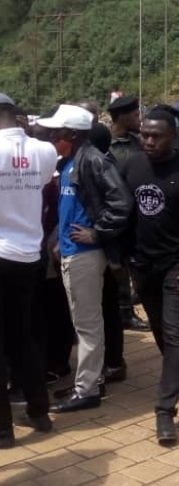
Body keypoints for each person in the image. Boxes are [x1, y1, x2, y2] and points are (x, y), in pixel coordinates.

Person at [122, 110, 179, 445]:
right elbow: (121, 209)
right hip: (144, 265)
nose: (149, 141)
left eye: (156, 136)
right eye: (145, 135)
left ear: (173, 136)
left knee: (176, 335)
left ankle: (165, 411)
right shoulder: (132, 165)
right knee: (161, 329)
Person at [38, 105, 133, 413]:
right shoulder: (71, 161)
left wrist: (98, 232)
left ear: (73, 134)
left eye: (57, 132)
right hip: (71, 251)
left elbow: (121, 201)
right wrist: (59, 242)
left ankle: (88, 389)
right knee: (85, 322)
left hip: (85, 255)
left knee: (87, 324)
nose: (52, 136)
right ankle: (89, 379)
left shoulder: (92, 159)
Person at [0, 93, 58, 447]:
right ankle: (39, 411)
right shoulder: (44, 151)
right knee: (22, 335)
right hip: (27, 255)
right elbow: (35, 186)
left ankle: (3, 430)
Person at [107, 96, 149, 332]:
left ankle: (132, 303)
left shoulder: (139, 142)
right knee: (117, 267)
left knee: (138, 266)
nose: (139, 119)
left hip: (139, 213)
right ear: (121, 117)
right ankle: (124, 311)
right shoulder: (104, 144)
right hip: (115, 215)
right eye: (135, 115)